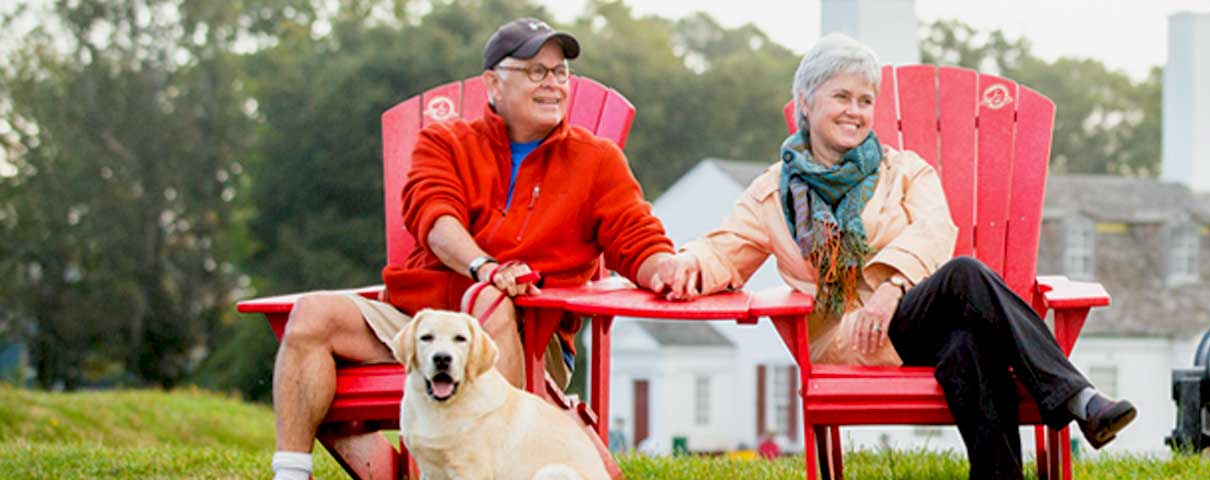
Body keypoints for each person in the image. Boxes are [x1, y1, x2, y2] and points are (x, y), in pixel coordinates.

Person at [655, 33, 1135, 479]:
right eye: (841, 97)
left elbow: (934, 229)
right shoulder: (772, 195)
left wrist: (891, 289)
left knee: (968, 341)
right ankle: (1079, 399)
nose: (855, 111)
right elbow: (723, 249)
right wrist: (681, 265)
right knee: (965, 274)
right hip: (847, 338)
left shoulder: (903, 171)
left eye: (865, 101)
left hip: (915, 325)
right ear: (805, 103)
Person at [268, 18, 685, 480]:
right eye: (535, 72)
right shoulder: (444, 142)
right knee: (310, 315)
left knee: (489, 303)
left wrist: (668, 268)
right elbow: (433, 214)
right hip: (421, 321)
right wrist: (483, 265)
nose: (552, 84)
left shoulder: (597, 161)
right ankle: (290, 472)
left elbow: (636, 236)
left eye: (559, 72)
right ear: (493, 83)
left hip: (529, 336)